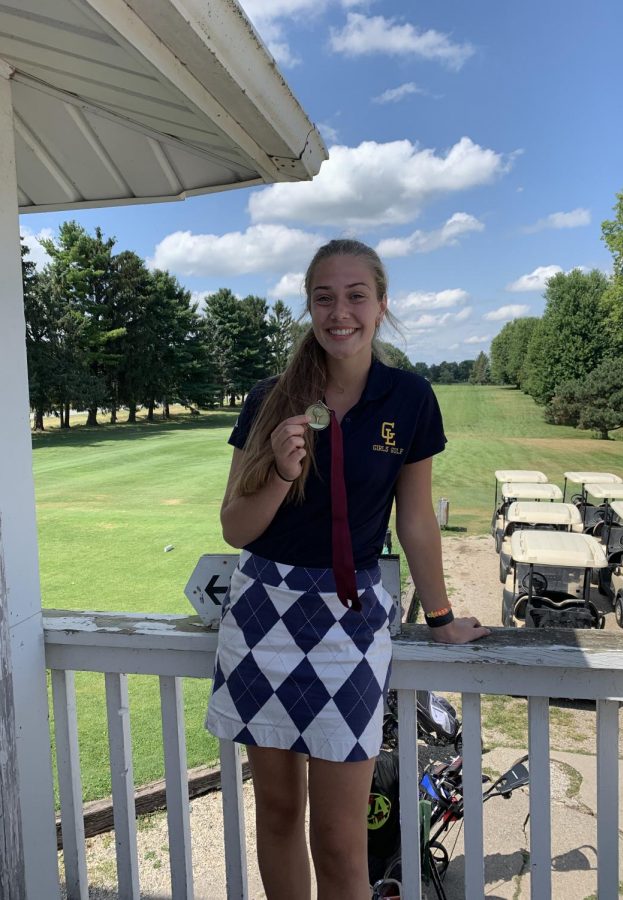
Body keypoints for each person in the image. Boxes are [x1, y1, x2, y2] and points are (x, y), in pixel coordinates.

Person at [206, 238, 489, 900]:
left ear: (381, 304)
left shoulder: (408, 398)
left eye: (356, 295)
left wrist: (441, 617)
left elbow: (414, 519)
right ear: (308, 307)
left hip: (349, 622)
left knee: (339, 839)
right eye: (324, 297)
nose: (341, 312)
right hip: (260, 618)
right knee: (276, 814)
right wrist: (278, 471)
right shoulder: (271, 399)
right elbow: (234, 526)